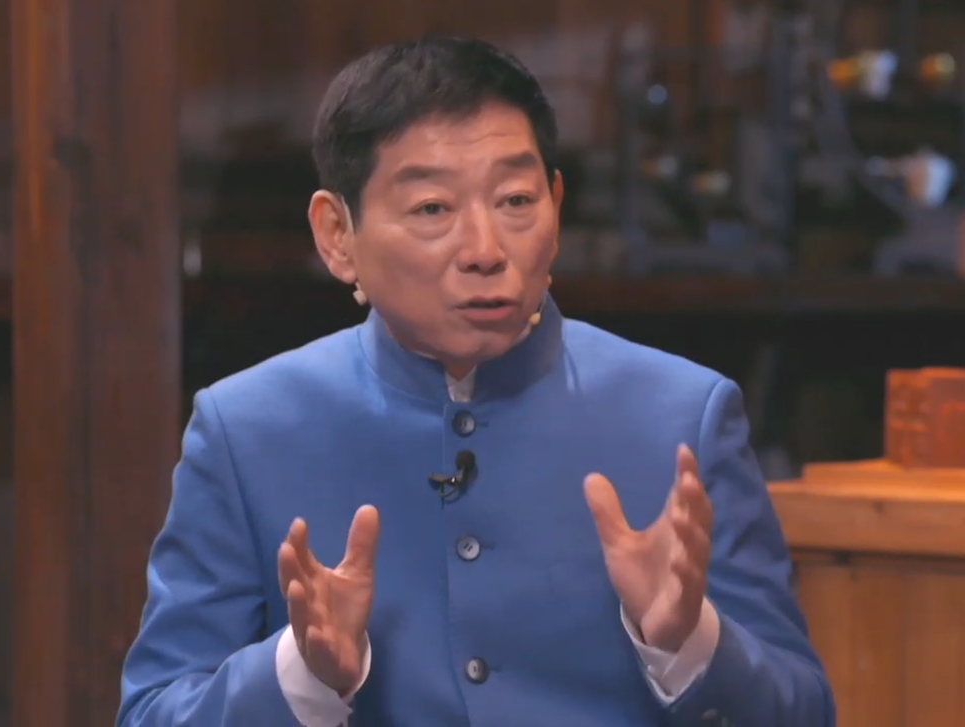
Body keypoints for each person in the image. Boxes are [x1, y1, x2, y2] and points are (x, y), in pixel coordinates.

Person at [117, 36, 836, 727]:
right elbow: (153, 711)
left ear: (556, 205)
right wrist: (301, 675)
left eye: (516, 200)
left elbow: (805, 711)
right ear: (337, 234)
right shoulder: (245, 430)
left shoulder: (685, 415)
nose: (486, 250)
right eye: (433, 208)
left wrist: (689, 641)